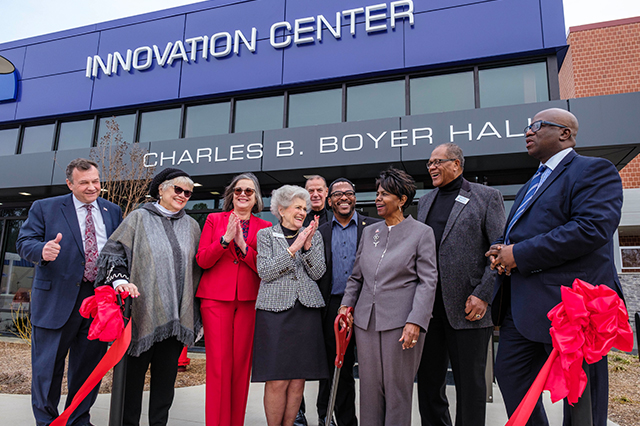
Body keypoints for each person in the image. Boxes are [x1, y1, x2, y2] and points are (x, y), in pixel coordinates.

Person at [486, 108, 624, 426]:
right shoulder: (533, 181)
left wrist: (519, 253)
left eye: (537, 126)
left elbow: (591, 228)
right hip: (522, 309)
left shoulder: (594, 171)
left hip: (572, 308)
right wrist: (504, 249)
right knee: (510, 375)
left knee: (580, 403)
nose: (528, 132)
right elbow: (527, 232)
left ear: (565, 133)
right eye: (528, 127)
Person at [16, 158, 123, 426]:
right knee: (47, 369)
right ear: (70, 183)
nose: (91, 187)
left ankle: (77, 420)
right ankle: (47, 421)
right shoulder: (45, 207)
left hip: (97, 301)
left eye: (96, 181)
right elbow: (24, 242)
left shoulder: (113, 211)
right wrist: (42, 250)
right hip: (55, 300)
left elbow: (119, 252)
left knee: (87, 370)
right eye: (84, 182)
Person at [96, 167, 202, 426]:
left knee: (165, 385)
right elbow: (113, 252)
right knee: (131, 383)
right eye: (178, 189)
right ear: (161, 189)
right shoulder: (138, 218)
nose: (183, 195)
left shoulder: (192, 226)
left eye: (188, 192)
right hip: (142, 314)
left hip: (178, 319)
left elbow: (200, 267)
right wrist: (120, 281)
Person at [340, 167, 438, 426]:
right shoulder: (370, 232)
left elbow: (428, 281)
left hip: (401, 324)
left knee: (397, 390)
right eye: (377, 193)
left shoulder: (422, 233)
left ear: (402, 200)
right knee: (369, 390)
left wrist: (416, 321)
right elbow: (356, 277)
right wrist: (345, 307)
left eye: (385, 194)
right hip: (365, 323)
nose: (378, 199)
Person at [416, 143, 505, 426]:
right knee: (429, 383)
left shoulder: (486, 197)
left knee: (471, 386)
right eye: (429, 163)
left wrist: (483, 294)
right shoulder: (426, 201)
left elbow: (499, 250)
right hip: (429, 310)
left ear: (456, 164)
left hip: (469, 308)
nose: (431, 167)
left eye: (437, 161)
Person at [196, 172, 272, 426]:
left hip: (249, 300)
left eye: (248, 191)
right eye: (238, 190)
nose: (242, 194)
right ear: (230, 195)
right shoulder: (213, 219)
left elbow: (265, 267)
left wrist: (243, 246)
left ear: (256, 198)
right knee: (219, 366)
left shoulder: (265, 227)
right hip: (216, 299)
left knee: (241, 366)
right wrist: (225, 240)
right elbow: (203, 260)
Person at [253, 185, 328, 426]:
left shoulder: (313, 235)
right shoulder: (265, 235)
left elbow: (318, 273)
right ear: (282, 210)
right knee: (277, 380)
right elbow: (265, 271)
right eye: (298, 207)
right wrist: (294, 248)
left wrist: (306, 247)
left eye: (305, 208)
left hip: (306, 312)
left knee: (298, 380)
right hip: (274, 313)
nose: (303, 212)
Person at [316, 178, 380, 426]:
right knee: (339, 371)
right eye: (338, 194)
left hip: (369, 307)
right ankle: (345, 422)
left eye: (349, 193)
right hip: (333, 308)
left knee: (373, 371)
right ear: (329, 200)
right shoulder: (320, 233)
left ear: (355, 198)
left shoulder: (375, 227)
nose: (344, 197)